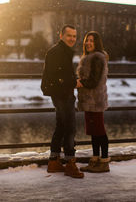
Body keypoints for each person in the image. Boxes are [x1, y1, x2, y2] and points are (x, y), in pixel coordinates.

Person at [41, 24, 84, 178]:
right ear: (61, 36)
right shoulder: (58, 52)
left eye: (74, 36)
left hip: (60, 93)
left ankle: (54, 161)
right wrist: (74, 82)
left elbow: (61, 74)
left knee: (61, 126)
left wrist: (72, 80)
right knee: (70, 127)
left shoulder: (62, 51)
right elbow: (57, 76)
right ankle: (70, 163)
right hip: (62, 94)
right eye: (69, 36)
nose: (72, 39)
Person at [76, 31, 110, 173]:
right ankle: (95, 160)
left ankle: (104, 162)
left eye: (92, 41)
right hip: (89, 100)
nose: (88, 43)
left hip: (95, 100)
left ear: (97, 43)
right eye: (87, 40)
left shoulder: (97, 57)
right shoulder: (88, 57)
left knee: (99, 131)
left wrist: (80, 83)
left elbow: (94, 81)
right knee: (94, 132)